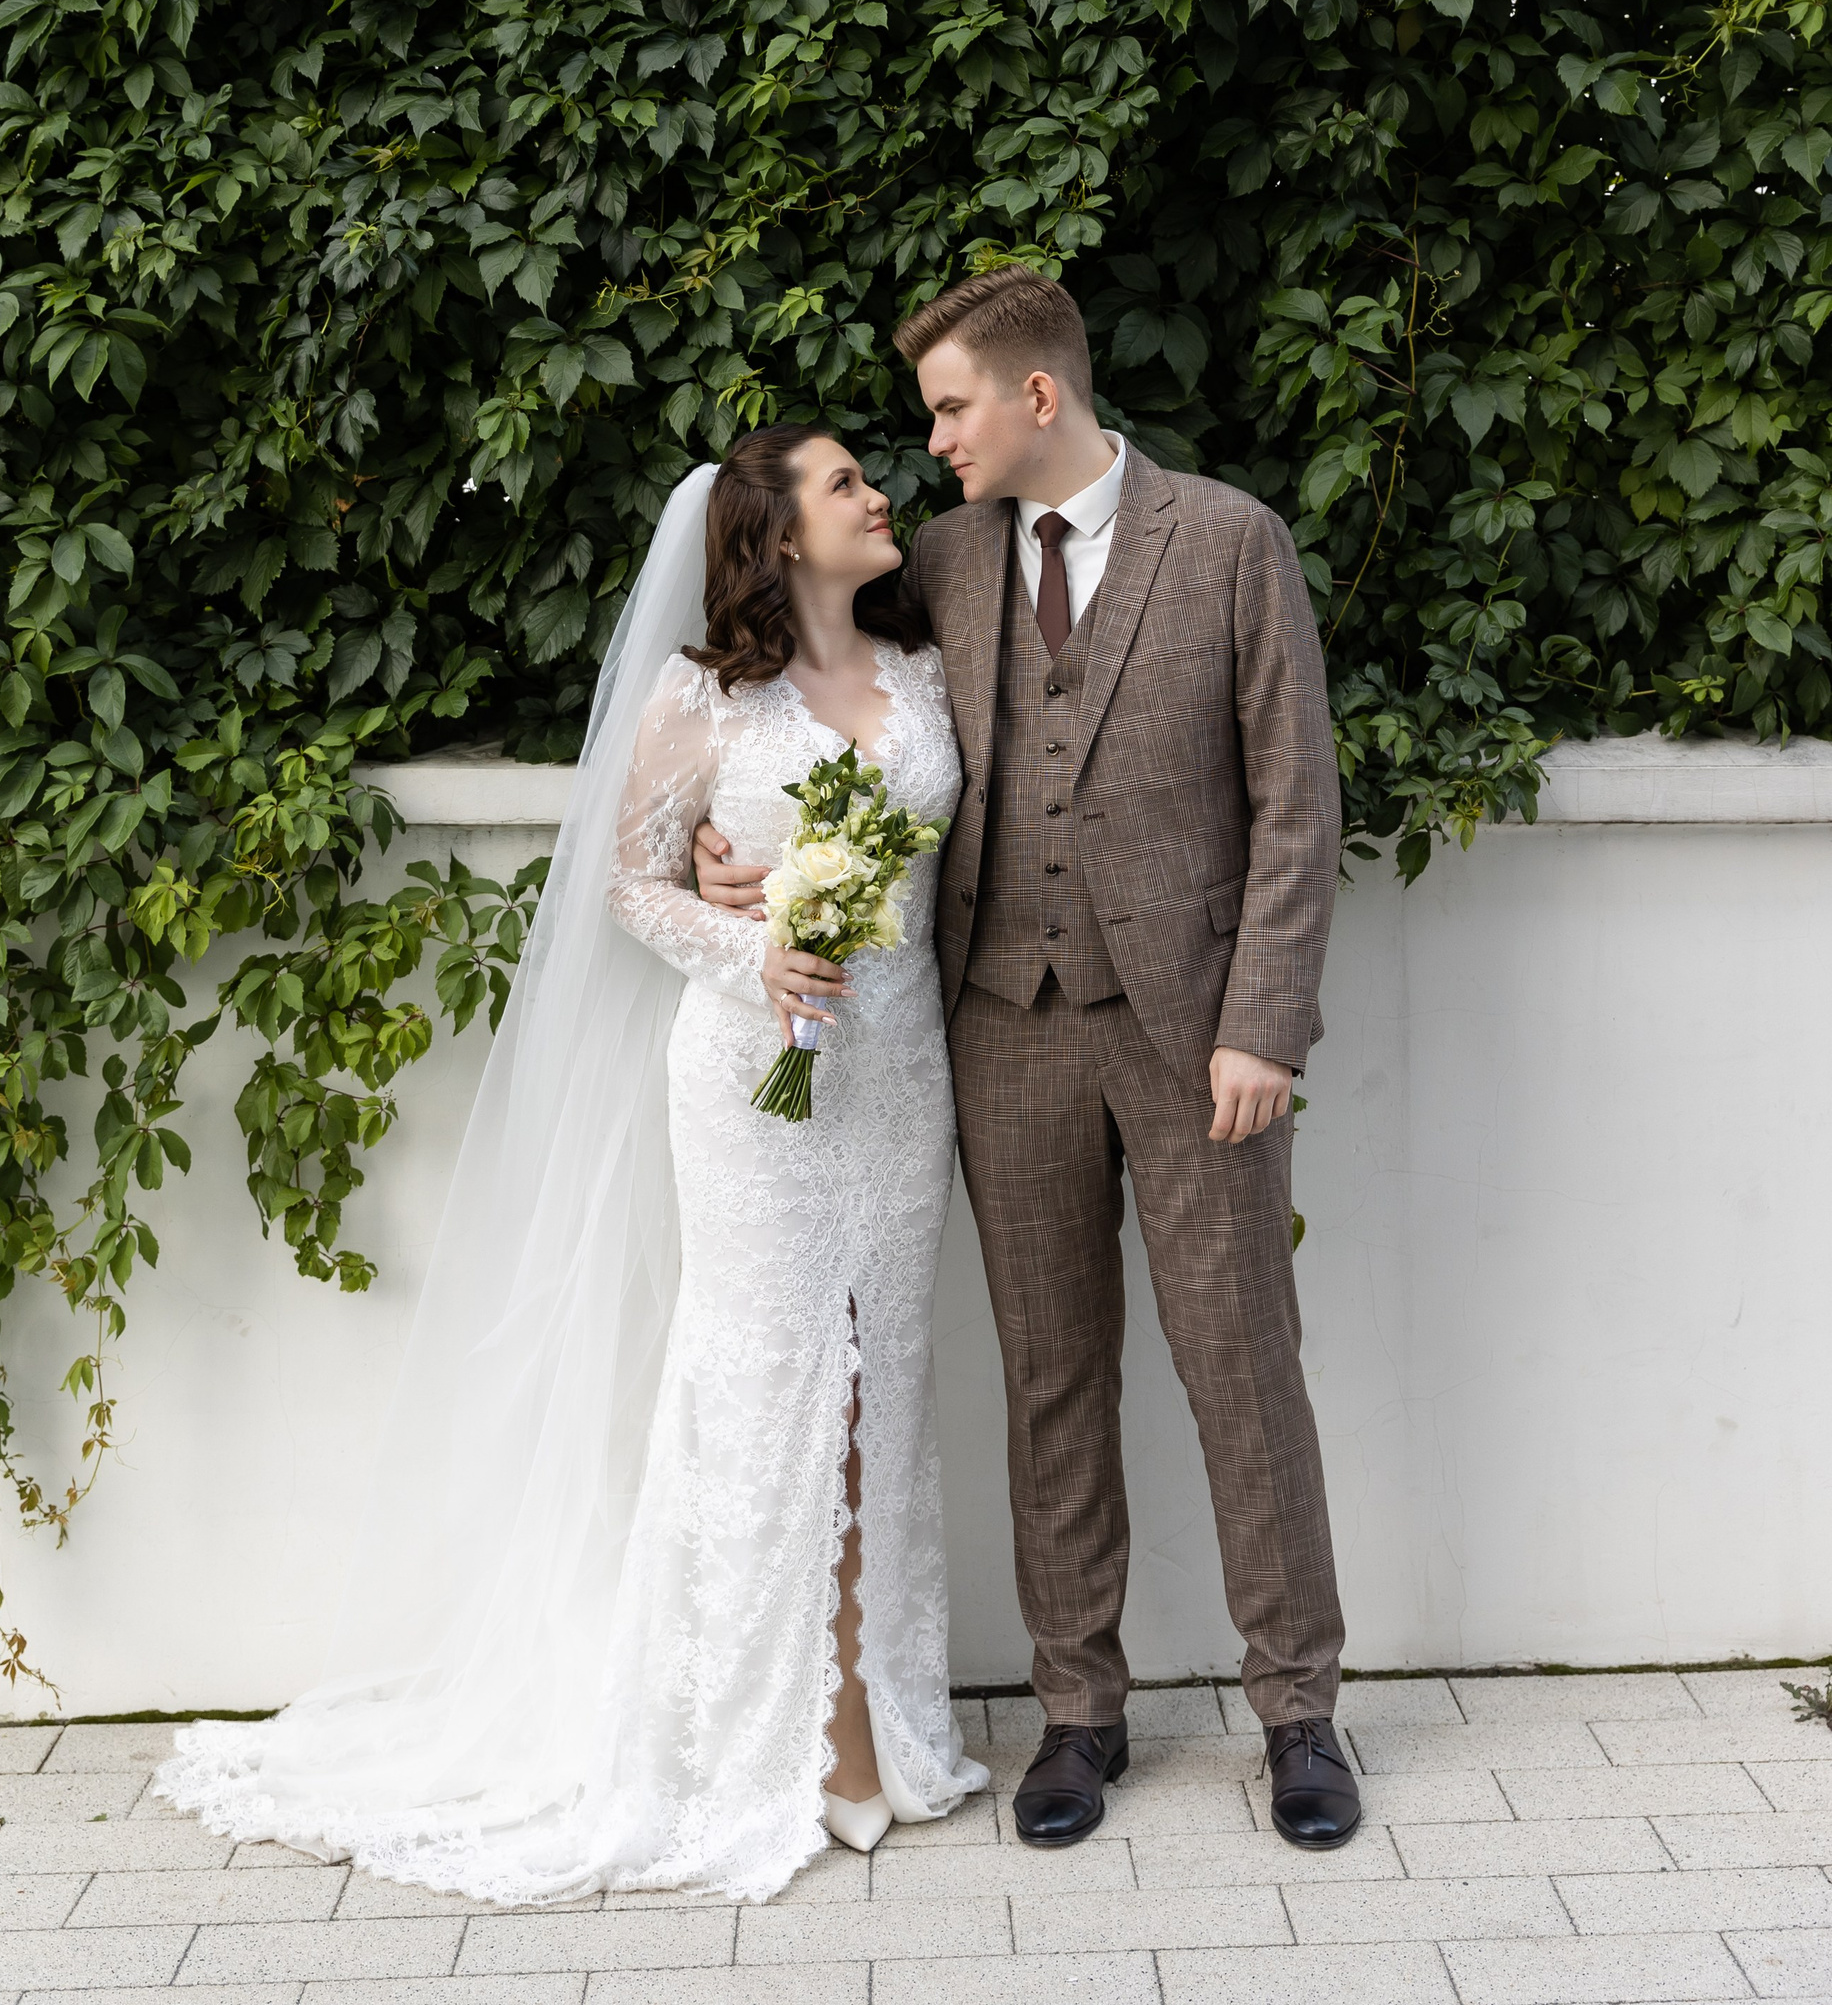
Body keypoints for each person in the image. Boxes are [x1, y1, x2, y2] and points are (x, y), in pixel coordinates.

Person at [156, 430, 985, 1901]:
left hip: (901, 1077)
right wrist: (753, 947)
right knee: (768, 1380)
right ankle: (777, 1739)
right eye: (846, 484)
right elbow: (626, 887)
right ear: (778, 535)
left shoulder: (924, 675)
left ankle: (871, 1705)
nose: (880, 497)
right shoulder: (702, 698)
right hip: (753, 1084)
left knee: (885, 1381)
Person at [695, 268, 1361, 1853]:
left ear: (1037, 395)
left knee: (1241, 1367)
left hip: (1197, 1035)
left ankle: (1298, 1712)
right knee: (1051, 1374)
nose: (932, 444)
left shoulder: (1230, 542)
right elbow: (827, 706)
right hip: (1000, 1025)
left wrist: (1263, 1021)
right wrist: (726, 851)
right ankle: (1079, 1712)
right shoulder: (943, 558)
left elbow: (1298, 799)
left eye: (950, 408)